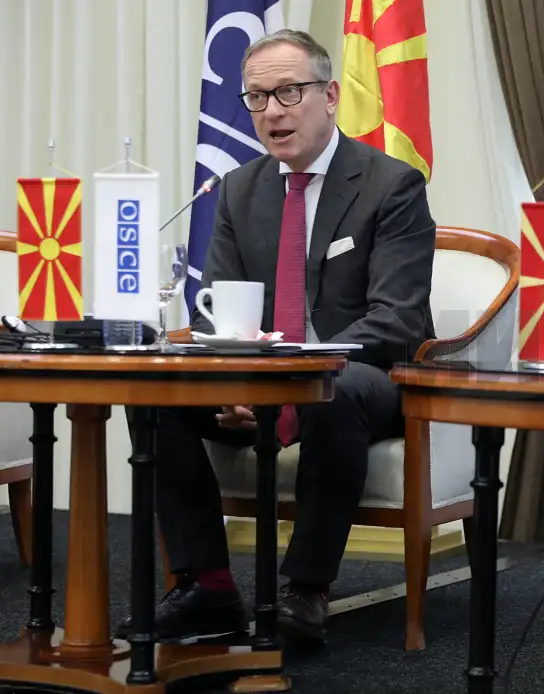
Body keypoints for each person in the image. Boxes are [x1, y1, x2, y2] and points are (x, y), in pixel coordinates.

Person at [117, 29, 436, 645]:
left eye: (290, 92)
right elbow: (218, 312)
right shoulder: (239, 188)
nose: (272, 111)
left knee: (334, 395)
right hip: (263, 377)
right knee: (153, 393)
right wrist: (236, 385)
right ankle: (207, 585)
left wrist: (291, 380)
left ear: (331, 96)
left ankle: (307, 589)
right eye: (258, 98)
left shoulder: (391, 185)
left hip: (367, 376)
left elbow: (397, 319)